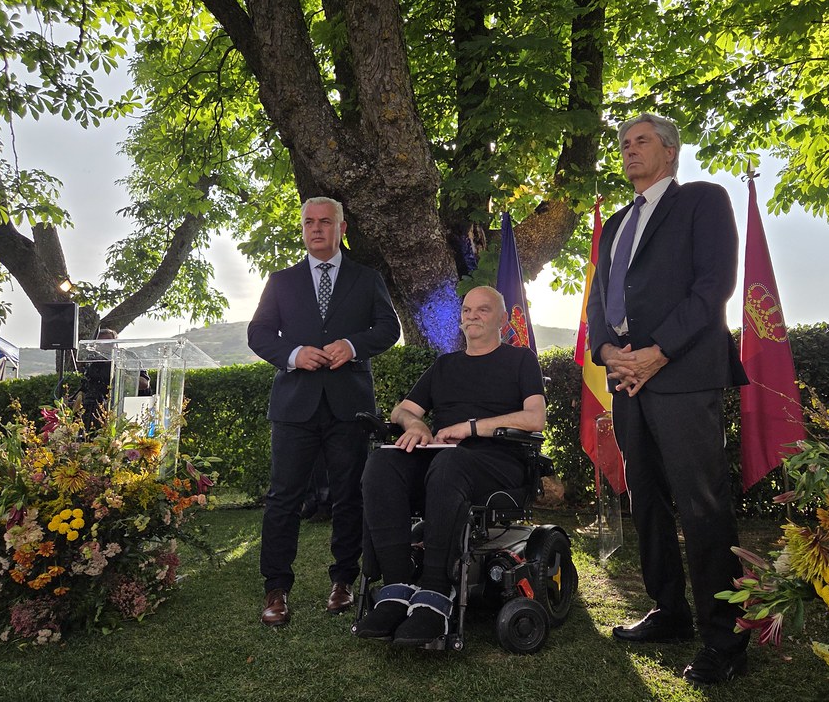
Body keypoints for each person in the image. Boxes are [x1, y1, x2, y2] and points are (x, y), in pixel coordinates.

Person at [587, 113, 750, 685]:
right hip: (627, 380)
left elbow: (713, 286)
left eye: (641, 141)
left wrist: (658, 352)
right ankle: (669, 610)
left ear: (671, 151)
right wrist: (608, 352)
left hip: (682, 375)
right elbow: (598, 302)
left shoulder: (703, 201)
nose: (629, 150)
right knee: (647, 501)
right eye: (623, 143)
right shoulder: (614, 225)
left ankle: (725, 638)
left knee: (702, 505)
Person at [353, 286, 546, 646]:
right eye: (467, 310)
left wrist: (471, 428)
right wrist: (416, 425)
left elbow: (535, 418)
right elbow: (402, 410)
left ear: (503, 320)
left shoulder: (521, 360)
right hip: (443, 460)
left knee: (449, 462)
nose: (472, 315)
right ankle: (396, 590)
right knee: (383, 461)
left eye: (483, 309)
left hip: (498, 461)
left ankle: (436, 596)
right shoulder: (444, 365)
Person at [248, 196, 401, 627]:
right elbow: (259, 333)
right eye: (309, 222)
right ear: (302, 228)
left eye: (325, 222)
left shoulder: (367, 278)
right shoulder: (281, 281)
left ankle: (344, 581)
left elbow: (389, 328)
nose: (316, 228)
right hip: (294, 406)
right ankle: (276, 588)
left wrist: (352, 345)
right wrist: (294, 354)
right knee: (283, 498)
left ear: (341, 228)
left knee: (350, 495)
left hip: (349, 406)